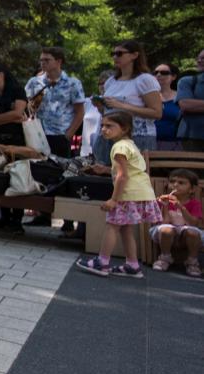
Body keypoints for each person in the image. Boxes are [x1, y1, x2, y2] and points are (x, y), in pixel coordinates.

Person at [75, 111, 161, 278]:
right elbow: (130, 170)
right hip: (140, 192)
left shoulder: (119, 147)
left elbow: (123, 176)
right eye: (102, 126)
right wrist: (107, 170)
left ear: (124, 128)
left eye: (109, 126)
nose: (104, 130)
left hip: (127, 194)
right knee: (125, 228)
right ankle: (132, 265)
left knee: (112, 226)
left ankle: (102, 262)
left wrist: (114, 200)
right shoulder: (130, 144)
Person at [24, 47, 85, 227]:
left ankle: (67, 220)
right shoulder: (35, 82)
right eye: (41, 60)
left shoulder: (73, 83)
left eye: (47, 60)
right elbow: (27, 107)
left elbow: (80, 111)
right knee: (39, 172)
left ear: (58, 61)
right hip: (38, 134)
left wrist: (69, 134)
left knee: (62, 175)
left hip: (60, 135)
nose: (43, 63)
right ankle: (42, 215)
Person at [94, 40, 162, 159]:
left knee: (132, 175)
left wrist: (122, 105)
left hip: (136, 136)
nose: (115, 57)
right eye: (113, 54)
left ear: (134, 55)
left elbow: (157, 113)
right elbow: (110, 111)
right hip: (109, 135)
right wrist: (101, 107)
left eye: (119, 54)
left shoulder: (145, 80)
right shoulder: (111, 81)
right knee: (102, 173)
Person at [0, 64, 28, 235]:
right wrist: (3, 119)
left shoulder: (17, 91)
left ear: (1, 74)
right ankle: (4, 216)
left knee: (17, 178)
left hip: (17, 141)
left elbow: (18, 114)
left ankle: (17, 219)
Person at [150, 169, 202, 277]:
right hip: (167, 233)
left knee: (193, 233)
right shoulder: (164, 200)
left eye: (181, 183)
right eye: (172, 181)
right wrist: (165, 205)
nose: (175, 185)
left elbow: (194, 223)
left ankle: (192, 262)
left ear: (192, 189)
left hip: (187, 232)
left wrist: (181, 207)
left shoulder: (194, 204)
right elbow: (165, 222)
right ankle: (165, 258)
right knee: (166, 230)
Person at [80, 70, 116, 159]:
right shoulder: (89, 102)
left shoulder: (118, 102)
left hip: (110, 149)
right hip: (87, 151)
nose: (102, 86)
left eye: (106, 82)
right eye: (100, 83)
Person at [177, 49, 204, 152]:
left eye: (203, 58)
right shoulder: (187, 81)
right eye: (198, 58)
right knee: (191, 168)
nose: (199, 61)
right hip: (193, 138)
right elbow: (185, 104)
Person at [153, 62, 181, 151]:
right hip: (150, 142)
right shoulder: (146, 97)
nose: (159, 75)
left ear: (173, 77)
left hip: (175, 144)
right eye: (155, 73)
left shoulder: (181, 97)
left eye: (164, 73)